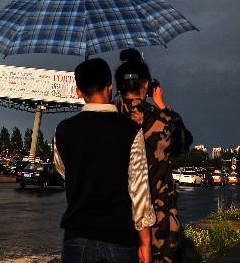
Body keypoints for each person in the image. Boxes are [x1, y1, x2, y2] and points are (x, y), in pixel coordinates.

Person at [53, 58, 156, 263]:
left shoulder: (62, 130)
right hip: (120, 238)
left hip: (77, 239)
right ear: (110, 87)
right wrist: (145, 242)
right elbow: (139, 189)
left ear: (79, 91)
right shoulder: (130, 130)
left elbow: (64, 170)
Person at [115, 49, 193, 263]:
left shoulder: (109, 118)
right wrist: (162, 105)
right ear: (148, 85)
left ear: (118, 86)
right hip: (160, 220)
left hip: (119, 216)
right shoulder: (163, 120)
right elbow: (184, 141)